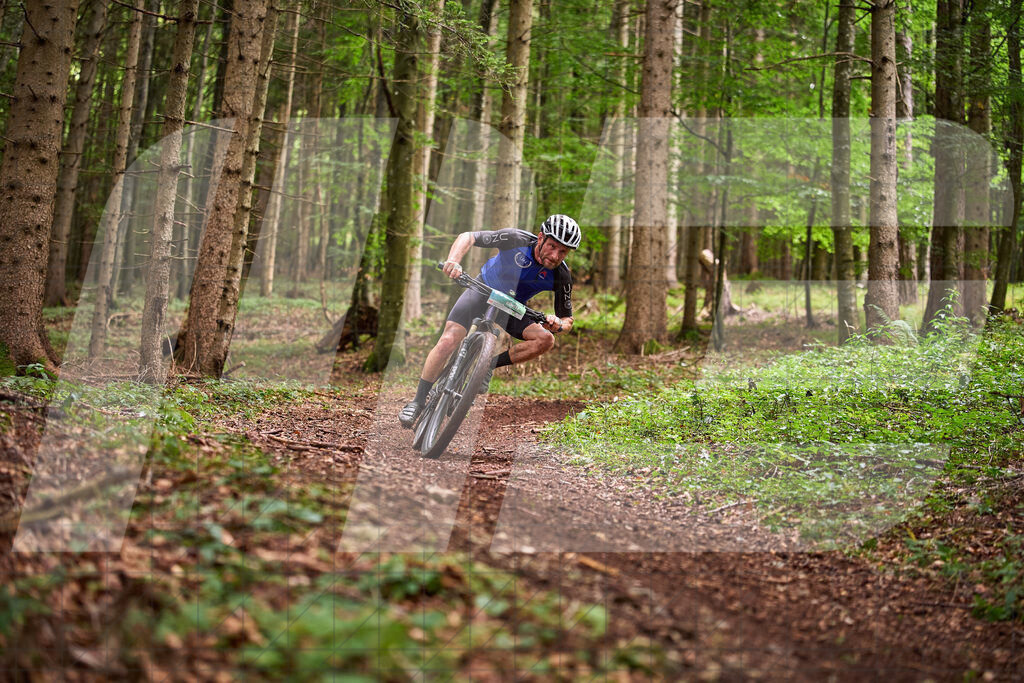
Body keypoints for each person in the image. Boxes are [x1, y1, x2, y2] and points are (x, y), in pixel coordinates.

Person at [399, 214, 581, 428]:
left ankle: (487, 365)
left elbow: (567, 320)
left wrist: (558, 324)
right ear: (541, 238)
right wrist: (453, 261)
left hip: (512, 307)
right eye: (552, 246)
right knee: (448, 340)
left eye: (563, 251)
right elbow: (469, 236)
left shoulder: (561, 275)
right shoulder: (516, 238)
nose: (555, 255)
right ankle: (418, 401)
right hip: (482, 290)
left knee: (546, 340)